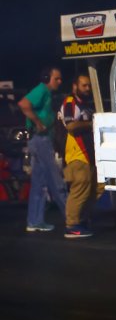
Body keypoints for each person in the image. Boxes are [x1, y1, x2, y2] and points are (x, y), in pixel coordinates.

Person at [17, 67, 67, 232]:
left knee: (38, 184)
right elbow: (23, 104)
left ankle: (35, 221)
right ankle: (72, 219)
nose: (59, 82)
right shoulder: (42, 90)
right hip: (40, 140)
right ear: (47, 78)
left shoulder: (45, 92)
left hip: (39, 140)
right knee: (55, 180)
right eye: (56, 79)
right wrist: (38, 123)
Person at [59, 73, 96, 238]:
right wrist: (91, 123)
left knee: (93, 189)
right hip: (76, 155)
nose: (87, 89)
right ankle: (72, 225)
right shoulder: (70, 102)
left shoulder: (86, 104)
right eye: (84, 85)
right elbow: (71, 126)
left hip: (88, 155)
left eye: (89, 85)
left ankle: (81, 220)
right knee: (79, 189)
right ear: (75, 86)